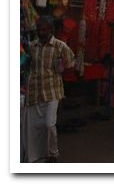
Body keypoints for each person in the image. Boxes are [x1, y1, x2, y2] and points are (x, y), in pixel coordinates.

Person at [25, 18, 75, 162]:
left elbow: (70, 63)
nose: (41, 32)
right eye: (39, 29)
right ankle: (35, 156)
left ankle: (53, 153)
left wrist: (60, 66)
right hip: (34, 91)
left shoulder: (60, 46)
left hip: (52, 91)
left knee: (48, 124)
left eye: (44, 29)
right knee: (33, 127)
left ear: (51, 30)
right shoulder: (31, 46)